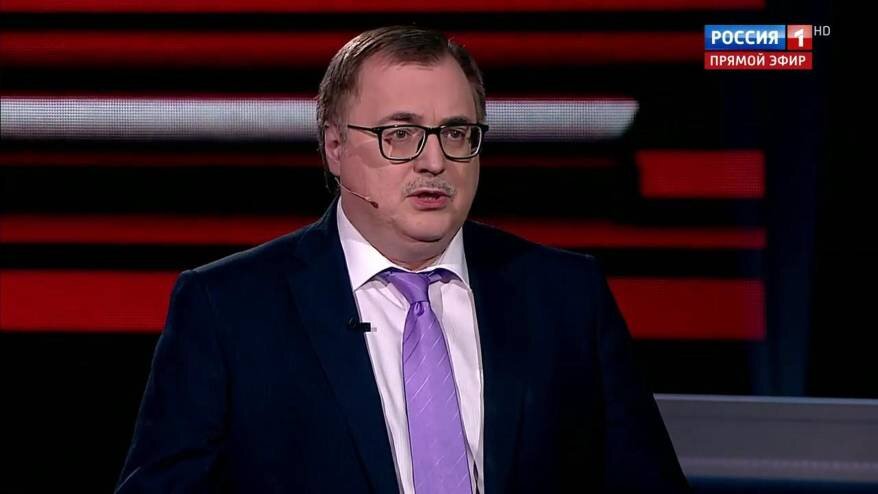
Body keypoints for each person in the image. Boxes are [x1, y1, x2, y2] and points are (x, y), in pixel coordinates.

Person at [116, 25, 689, 493]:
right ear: (335, 147)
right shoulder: (229, 308)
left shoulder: (565, 295)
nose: (434, 161)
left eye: (456, 133)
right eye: (400, 134)